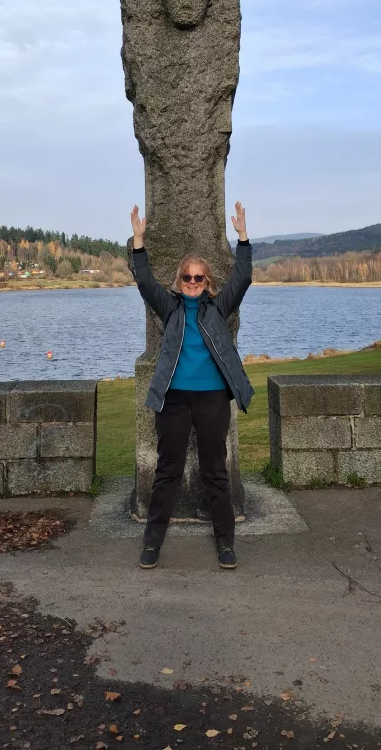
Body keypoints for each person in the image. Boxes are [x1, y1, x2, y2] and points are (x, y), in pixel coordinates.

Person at [129, 201, 255, 570]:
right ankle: (152, 543)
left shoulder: (217, 308)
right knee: (167, 470)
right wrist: (138, 241)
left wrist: (243, 237)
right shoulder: (169, 309)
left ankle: (226, 544)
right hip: (175, 399)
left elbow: (243, 278)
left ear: (208, 282)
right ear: (180, 281)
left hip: (213, 399)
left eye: (200, 278)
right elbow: (144, 281)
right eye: (188, 278)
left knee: (215, 471)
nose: (194, 283)